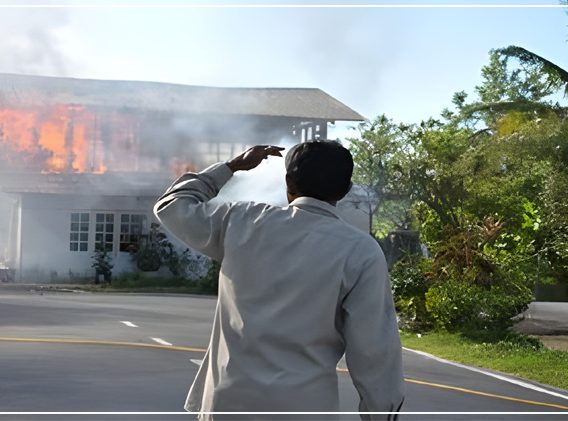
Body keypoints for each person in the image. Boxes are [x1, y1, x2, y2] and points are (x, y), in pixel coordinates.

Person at [153, 142, 405, 420]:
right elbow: (375, 353)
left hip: (226, 405)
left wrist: (231, 167)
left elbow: (172, 206)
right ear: (345, 189)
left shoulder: (242, 221)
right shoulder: (360, 251)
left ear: (288, 182)